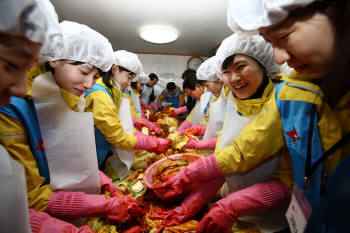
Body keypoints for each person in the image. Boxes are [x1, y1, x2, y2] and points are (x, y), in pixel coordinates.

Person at [154, 0, 350, 232]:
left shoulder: (284, 95)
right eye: (225, 73)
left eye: (284, 36)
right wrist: (192, 174)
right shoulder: (292, 94)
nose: (278, 58)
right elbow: (242, 151)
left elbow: (285, 174)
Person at [0, 20, 145, 230]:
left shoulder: (69, 94)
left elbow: (71, 154)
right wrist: (101, 206)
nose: (88, 85)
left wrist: (99, 179)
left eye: (95, 77)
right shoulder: (11, 105)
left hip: (61, 198)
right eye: (85, 72)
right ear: (54, 60)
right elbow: (29, 197)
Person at [150, 34, 291, 233]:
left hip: (273, 220)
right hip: (233, 205)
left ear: (263, 64)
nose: (233, 78)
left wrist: (231, 205)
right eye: (226, 71)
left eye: (241, 67)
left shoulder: (285, 100)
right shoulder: (234, 99)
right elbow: (225, 160)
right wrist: (188, 206)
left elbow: (290, 180)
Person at [84, 50, 170, 177]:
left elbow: (122, 124)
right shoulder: (100, 94)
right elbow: (117, 136)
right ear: (115, 69)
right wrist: (152, 144)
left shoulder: (114, 92)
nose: (129, 83)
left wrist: (147, 138)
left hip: (101, 152)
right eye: (129, 77)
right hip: (89, 155)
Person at [182, 56, 225, 154]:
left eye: (207, 86)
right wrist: (199, 129)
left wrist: (201, 139)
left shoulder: (214, 95)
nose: (208, 90)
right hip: (213, 147)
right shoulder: (213, 95)